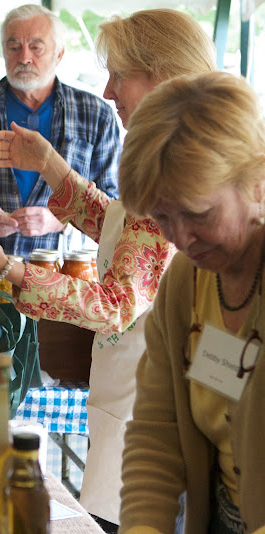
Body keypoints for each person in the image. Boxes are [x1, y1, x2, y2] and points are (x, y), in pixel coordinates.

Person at [0, 9, 216, 529]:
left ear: (163, 75)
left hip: (151, 410)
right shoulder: (167, 153)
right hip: (134, 395)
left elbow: (115, 304)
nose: (107, 91)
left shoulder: (182, 168)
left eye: (119, 74)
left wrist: (8, 267)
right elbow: (121, 226)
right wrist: (51, 164)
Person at [117, 71, 265, 534]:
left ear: (256, 184)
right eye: (163, 216)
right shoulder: (186, 283)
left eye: (199, 214)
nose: (180, 239)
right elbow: (156, 434)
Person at [0, 4, 120, 259]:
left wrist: (58, 219)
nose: (25, 57)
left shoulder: (95, 115)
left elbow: (114, 205)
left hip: (62, 281)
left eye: (36, 47)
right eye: (14, 46)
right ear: (4, 52)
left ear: (59, 54)